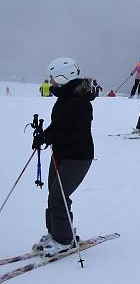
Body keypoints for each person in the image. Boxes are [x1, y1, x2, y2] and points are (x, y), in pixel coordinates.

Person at [31, 58, 95, 256]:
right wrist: (44, 135)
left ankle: (64, 240)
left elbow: (78, 134)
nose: (51, 82)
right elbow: (60, 125)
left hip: (77, 157)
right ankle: (56, 233)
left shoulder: (79, 102)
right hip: (61, 154)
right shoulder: (65, 97)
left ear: (62, 77)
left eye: (52, 78)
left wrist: (52, 136)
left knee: (58, 197)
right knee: (55, 195)